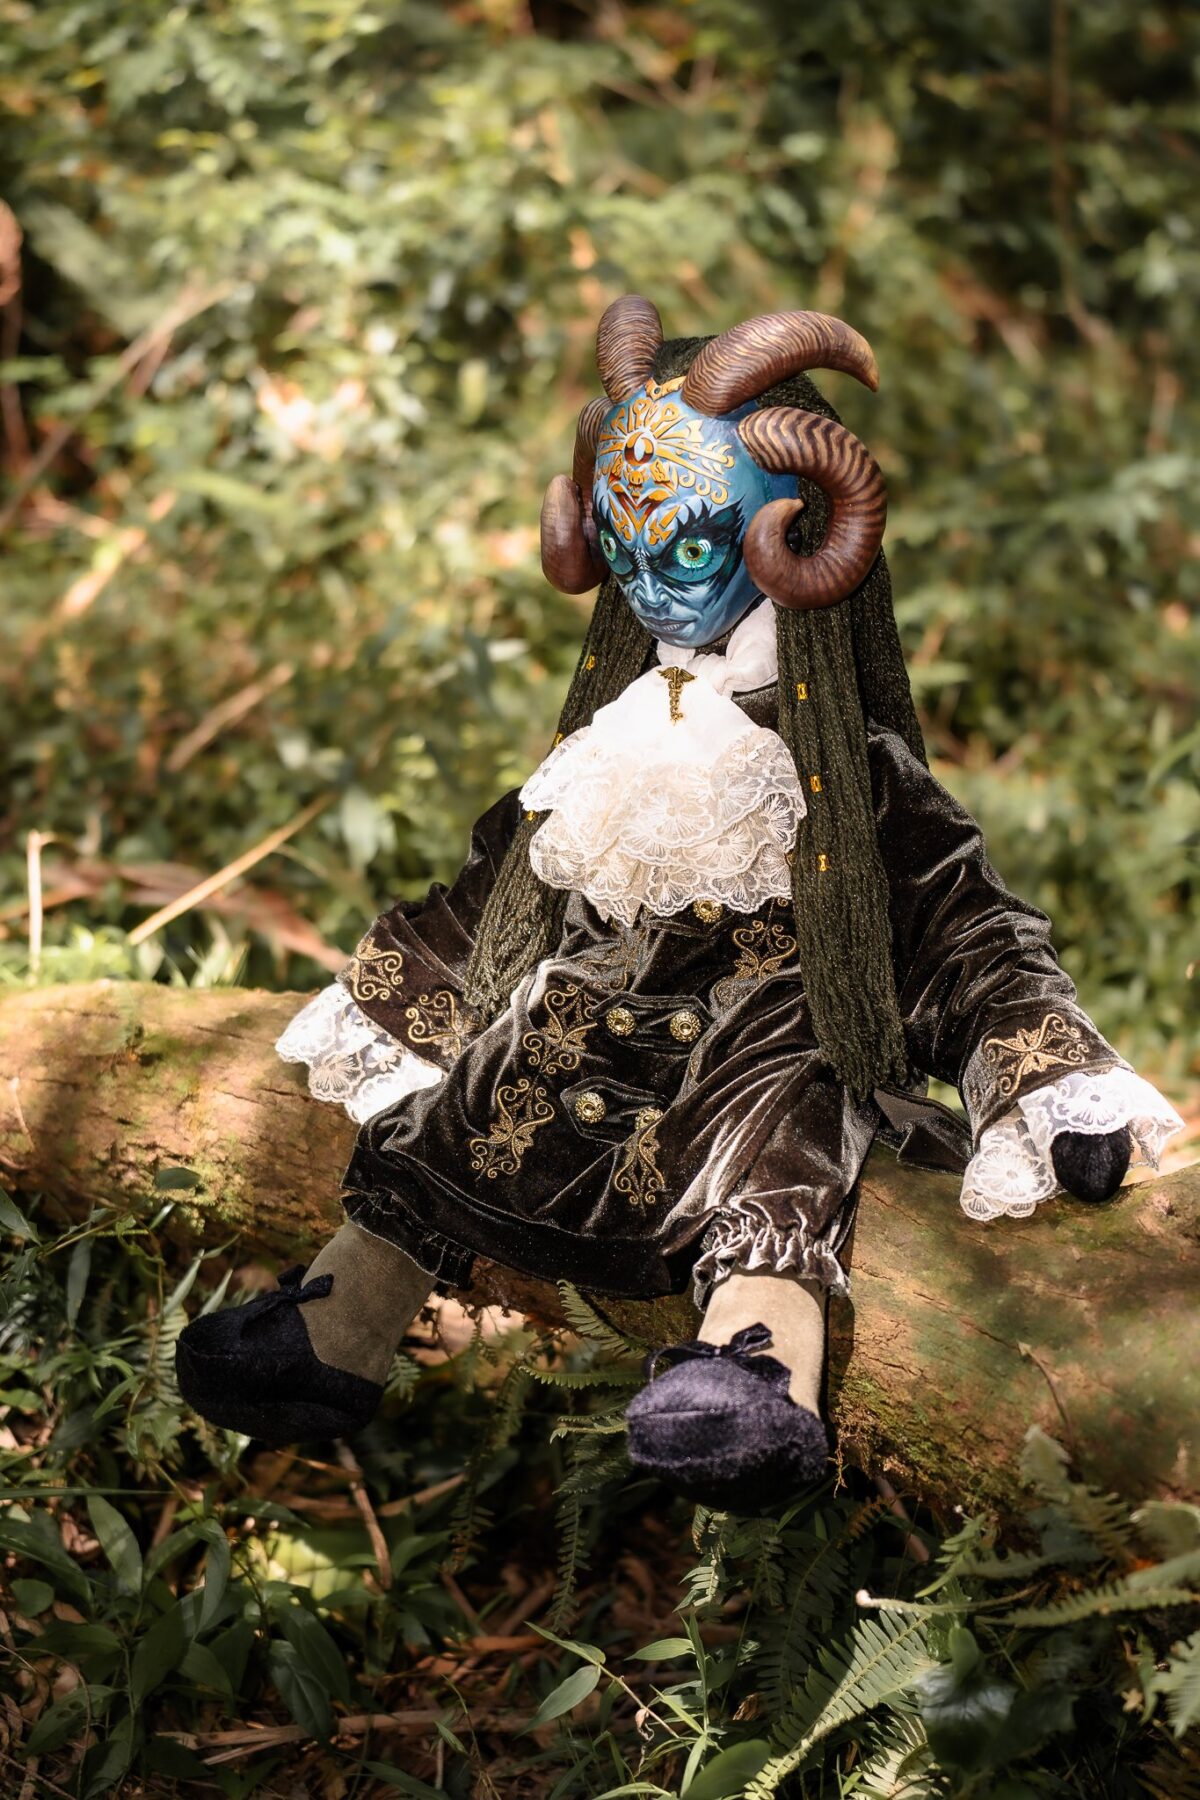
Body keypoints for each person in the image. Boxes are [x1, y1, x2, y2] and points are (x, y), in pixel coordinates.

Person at [177, 298, 1182, 1511]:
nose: (653, 585)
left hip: (758, 1056)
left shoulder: (842, 767)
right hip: (574, 1025)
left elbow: (962, 922)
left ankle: (751, 1371)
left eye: (689, 550)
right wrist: (402, 1000)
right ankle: (339, 1325)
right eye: (626, 549)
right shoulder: (610, 733)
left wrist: (1048, 1079)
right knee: (456, 1107)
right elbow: (508, 880)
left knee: (778, 1156)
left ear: (794, 527)